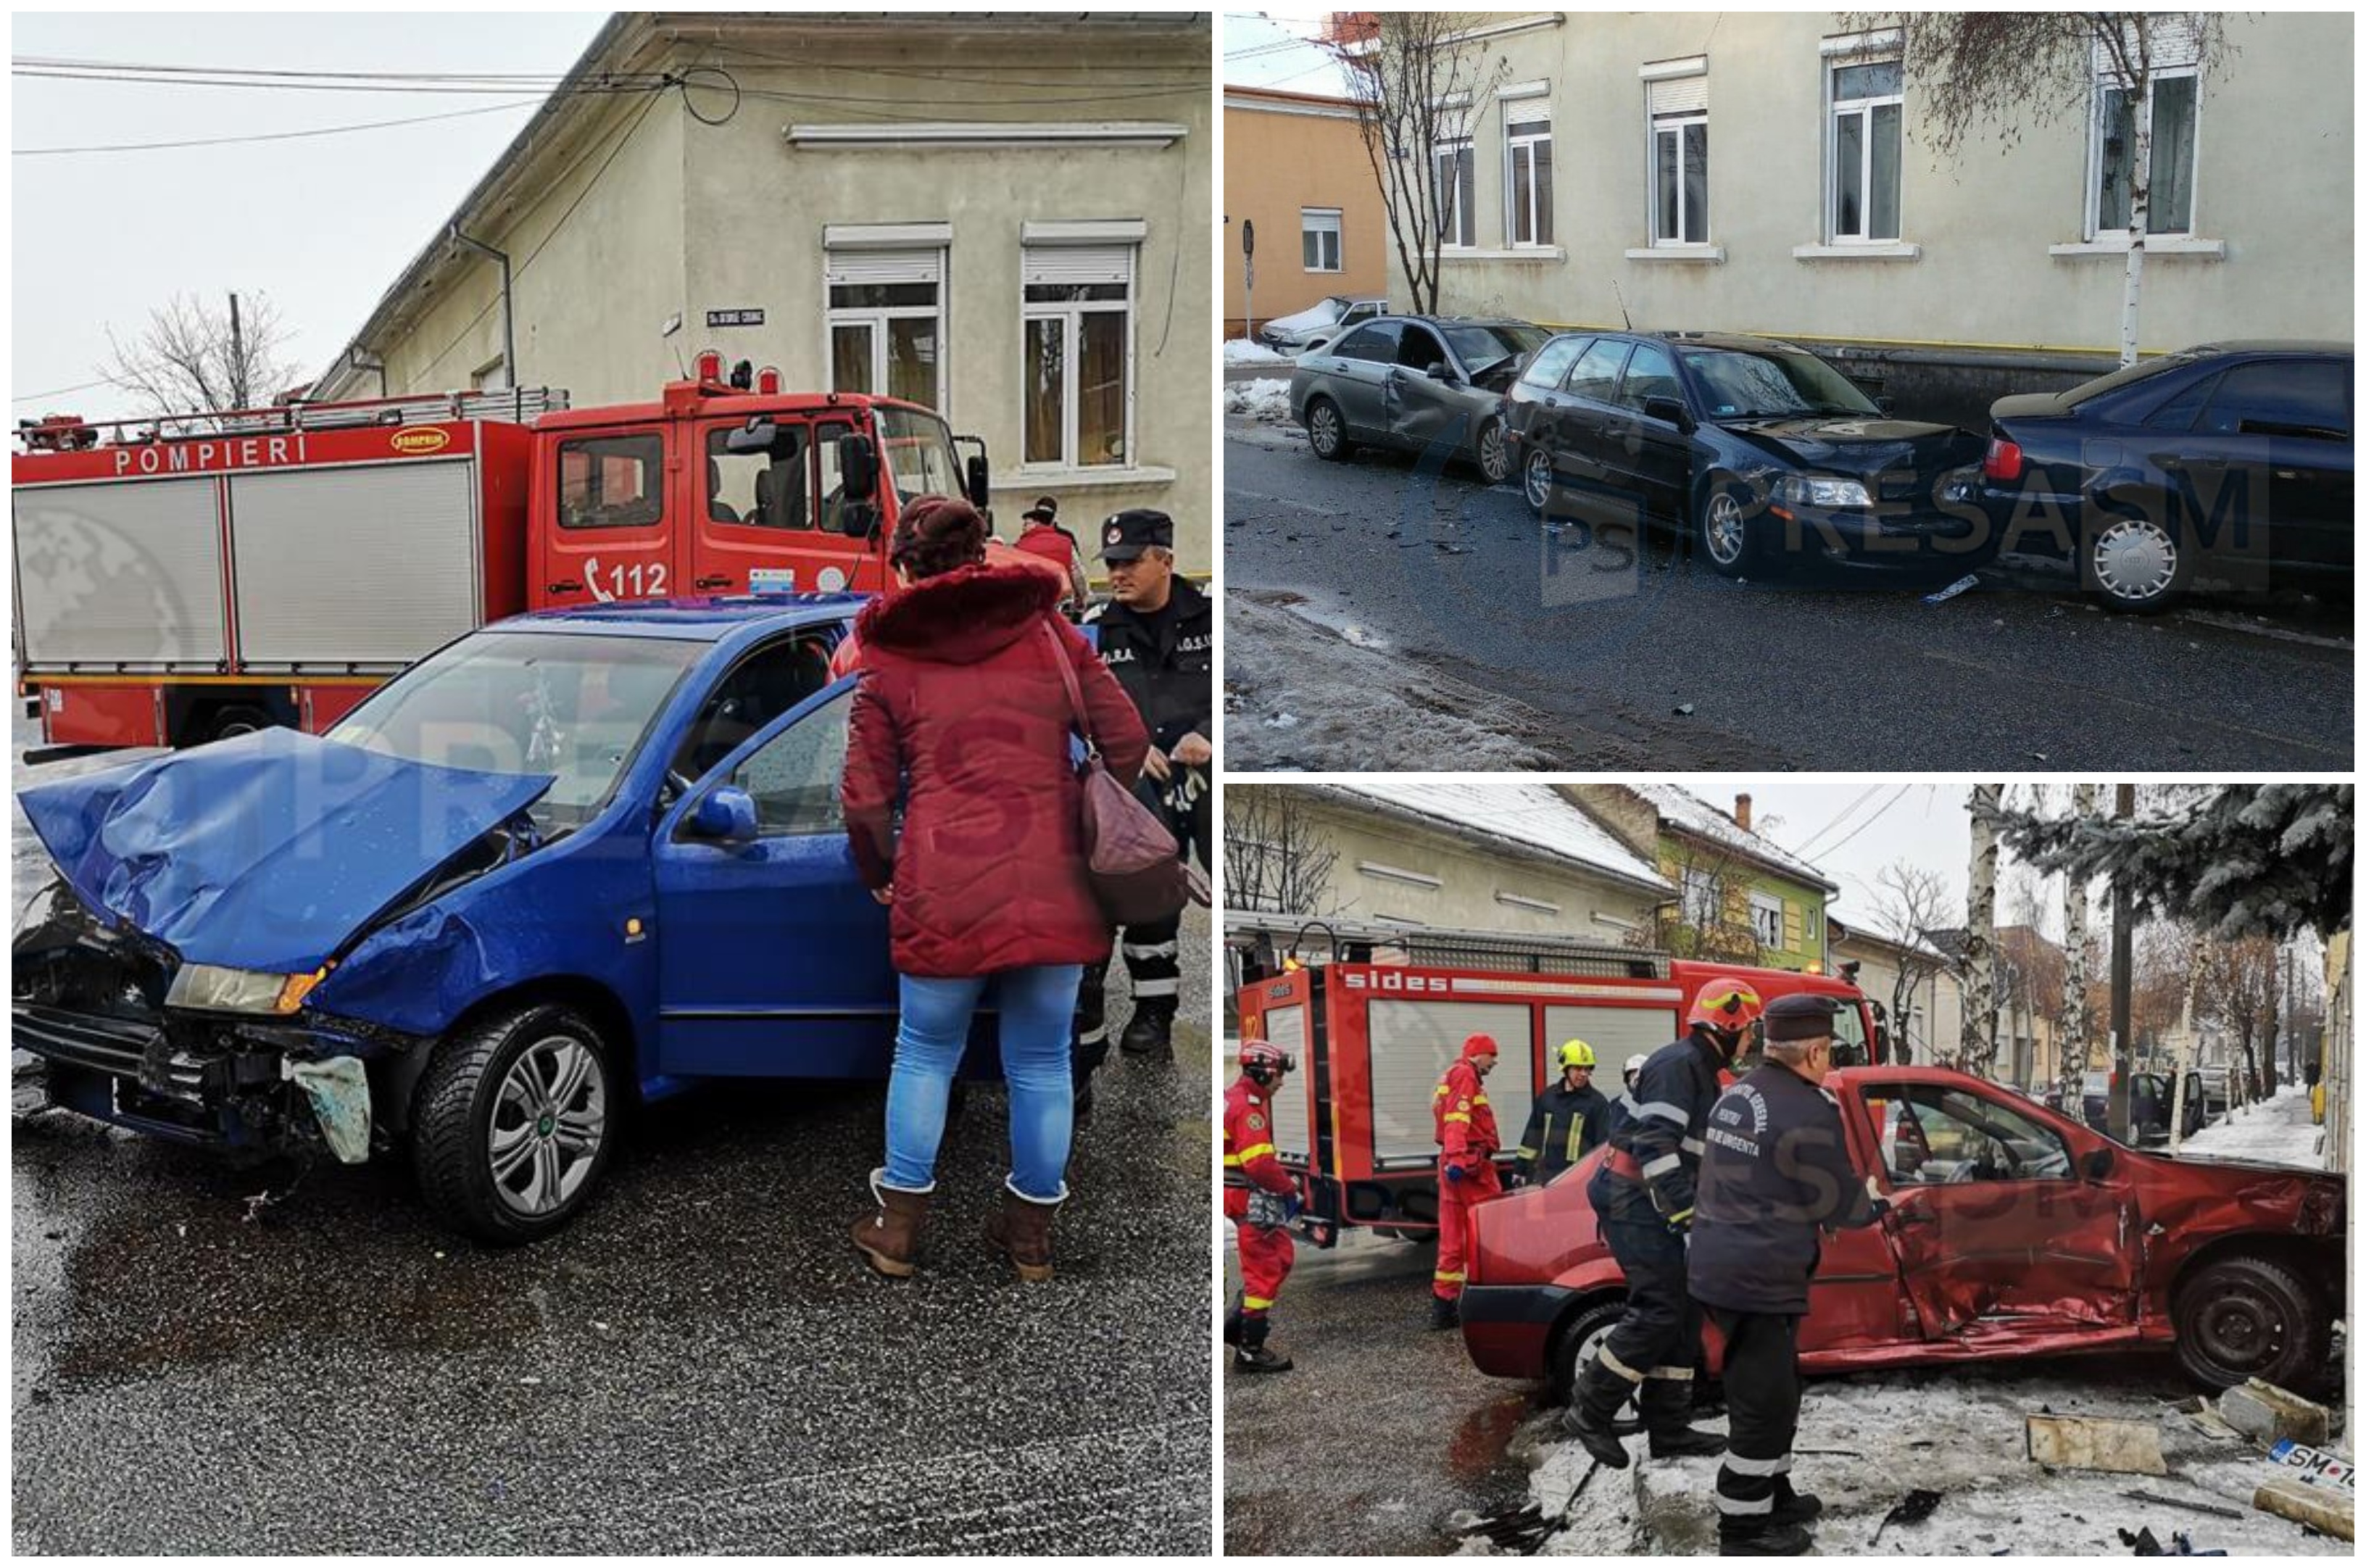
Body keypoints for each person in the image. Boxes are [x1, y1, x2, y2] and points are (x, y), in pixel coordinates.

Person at [840, 495, 1149, 1282]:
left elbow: (866, 798)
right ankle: (1030, 1240)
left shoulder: (889, 656)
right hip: (1053, 875)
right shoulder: (1050, 634)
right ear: (983, 556)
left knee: (924, 1052)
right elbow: (1127, 738)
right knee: (1042, 1060)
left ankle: (899, 1229)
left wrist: (878, 872)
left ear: (904, 566)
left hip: (943, 880)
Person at [1689, 994, 1885, 1555]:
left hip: (1721, 1265)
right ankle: (1743, 1530)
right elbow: (1840, 1205)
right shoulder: (1807, 1107)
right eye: (1830, 1052)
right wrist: (1870, 1204)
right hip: (1759, 1278)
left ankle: (1774, 1494)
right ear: (1816, 1050)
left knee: (1778, 1390)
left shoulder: (1739, 1092)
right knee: (1764, 1404)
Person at [1566, 976, 1766, 1466]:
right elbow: (1655, 1148)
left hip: (1642, 1196)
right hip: (1631, 1197)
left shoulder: (1700, 1069)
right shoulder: (1680, 1066)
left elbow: (1690, 1150)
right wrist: (1688, 1216)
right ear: (1731, 1020)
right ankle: (1590, 1409)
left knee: (1683, 1307)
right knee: (1658, 1306)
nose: (1753, 1039)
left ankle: (1669, 1427)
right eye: (1752, 1028)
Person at [1072, 509, 1212, 1094]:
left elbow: (1251, 694)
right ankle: (1092, 1004)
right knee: (1113, 889)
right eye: (1112, 563)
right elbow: (1072, 708)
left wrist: (1210, 731)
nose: (1119, 572)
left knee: (1166, 904)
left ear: (1166, 560)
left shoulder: (1211, 616)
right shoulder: (1096, 624)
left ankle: (1156, 1010)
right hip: (1130, 789)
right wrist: (1116, 749)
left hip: (1202, 779)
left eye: (1131, 561)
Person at [1223, 1036, 1300, 1374]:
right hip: (1251, 1199)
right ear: (1262, 1072)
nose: (1282, 1082)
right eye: (1279, 1075)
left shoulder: (1238, 1099)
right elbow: (1259, 1165)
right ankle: (1250, 1348)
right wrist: (1288, 1190)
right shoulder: (1248, 1109)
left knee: (1279, 1259)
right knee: (1265, 1270)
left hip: (1243, 1197)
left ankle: (1235, 1326)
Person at [1429, 1033, 1503, 1330]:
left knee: (1452, 1239)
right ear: (1478, 1055)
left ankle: (1443, 1307)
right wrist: (1459, 1158)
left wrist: (1453, 1159)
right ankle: (1490, 1304)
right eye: (1492, 1056)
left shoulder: (1453, 1073)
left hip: (1454, 1166)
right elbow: (1457, 1120)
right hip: (1470, 1168)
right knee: (1491, 1233)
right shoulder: (1465, 1075)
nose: (1494, 1062)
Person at [1514, 1039, 1612, 1187]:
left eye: (1588, 1069)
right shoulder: (1547, 1098)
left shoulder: (1598, 1103)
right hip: (1548, 1179)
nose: (1584, 1074)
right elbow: (1532, 1137)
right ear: (1565, 1068)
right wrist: (1520, 1170)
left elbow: (1603, 1147)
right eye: (1578, 1069)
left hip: (1582, 1182)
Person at [1013, 495, 1090, 618]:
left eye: (1026, 523)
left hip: (1033, 610)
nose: (1024, 527)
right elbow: (1079, 575)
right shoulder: (1066, 541)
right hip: (1062, 605)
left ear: (1036, 524)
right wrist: (1082, 600)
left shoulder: (1020, 547)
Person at [1608, 1052, 1651, 1138]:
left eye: (1639, 1074)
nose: (1636, 1078)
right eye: (1633, 1074)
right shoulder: (1615, 1104)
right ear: (1626, 1077)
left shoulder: (1653, 1103)